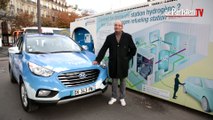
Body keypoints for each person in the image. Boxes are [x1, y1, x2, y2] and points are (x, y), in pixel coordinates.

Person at [93, 20, 136, 106]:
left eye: (119, 25)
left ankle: (122, 98)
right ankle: (114, 97)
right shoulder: (110, 37)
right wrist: (97, 60)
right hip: (113, 63)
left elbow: (133, 49)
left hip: (123, 64)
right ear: (114, 26)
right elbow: (103, 49)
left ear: (122, 26)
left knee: (123, 81)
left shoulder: (128, 37)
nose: (117, 27)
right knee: (114, 81)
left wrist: (127, 58)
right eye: (116, 25)